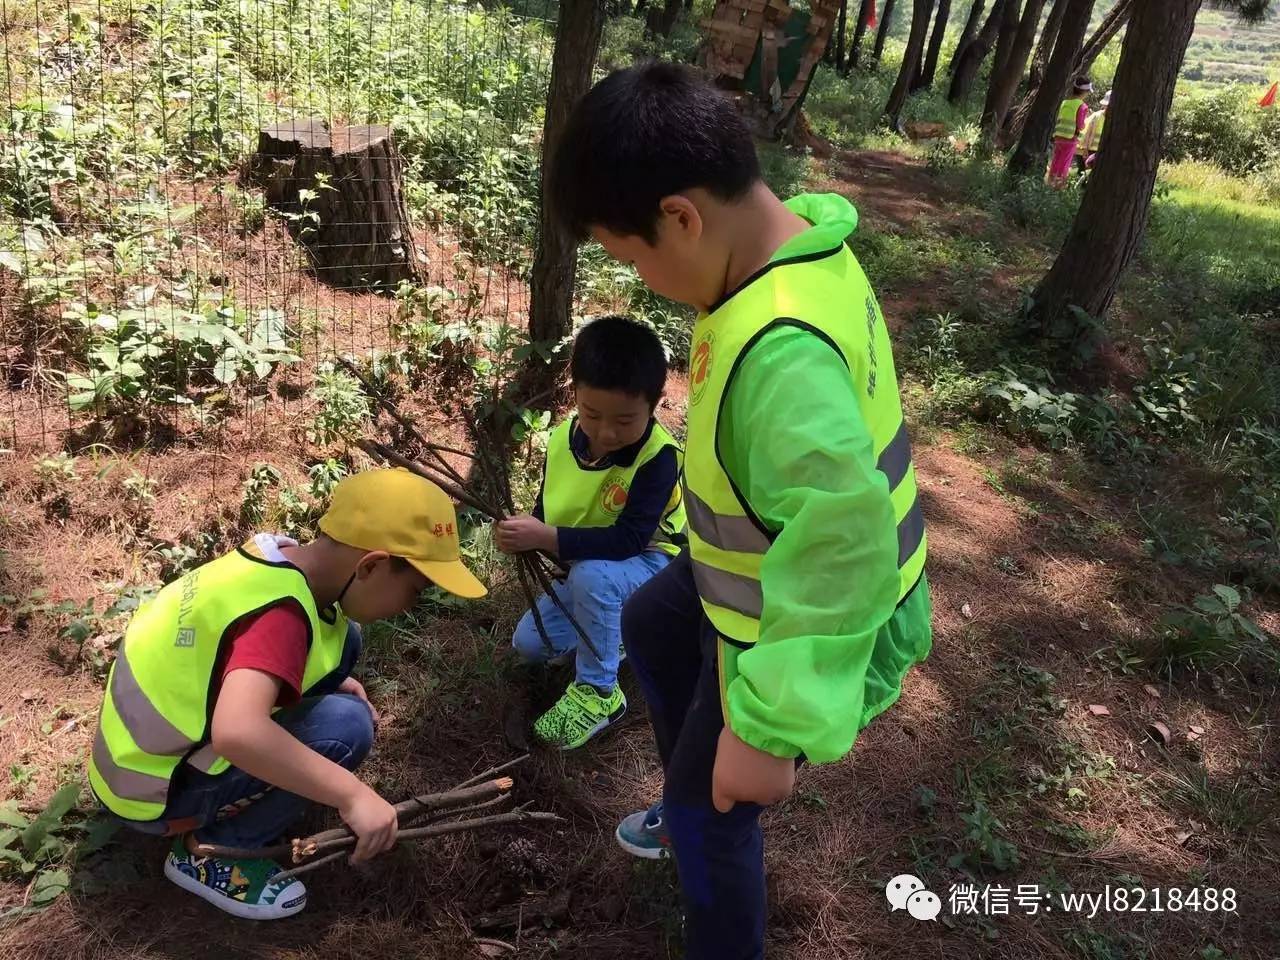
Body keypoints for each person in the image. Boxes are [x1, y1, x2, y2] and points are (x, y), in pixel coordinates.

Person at [547, 63, 932, 960]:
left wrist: (769, 730)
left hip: (795, 609)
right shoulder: (794, 245)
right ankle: (699, 774)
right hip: (747, 567)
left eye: (634, 255)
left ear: (682, 214)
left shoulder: (782, 351)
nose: (643, 277)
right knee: (650, 617)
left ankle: (711, 850)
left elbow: (843, 540)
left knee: (714, 807)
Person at [87, 468, 486, 920]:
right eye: (414, 591)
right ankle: (211, 852)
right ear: (371, 565)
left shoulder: (275, 558)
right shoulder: (280, 616)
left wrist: (321, 682)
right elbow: (238, 733)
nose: (410, 606)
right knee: (345, 726)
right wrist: (352, 796)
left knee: (345, 641)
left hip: (129, 759)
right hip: (153, 790)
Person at [497, 315, 686, 750]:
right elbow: (547, 510)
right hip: (587, 565)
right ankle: (614, 634)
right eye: (592, 413)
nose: (606, 432)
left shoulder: (659, 458)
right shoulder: (563, 439)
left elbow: (630, 541)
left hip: (653, 568)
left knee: (593, 579)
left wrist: (547, 538)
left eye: (625, 420)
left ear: (655, 402)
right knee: (530, 644)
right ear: (575, 391)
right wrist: (521, 532)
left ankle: (600, 692)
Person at [1047, 76, 1092, 187]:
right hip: (1070, 139)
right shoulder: (1082, 106)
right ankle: (1058, 187)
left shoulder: (1065, 103)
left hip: (1058, 137)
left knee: (1056, 161)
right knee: (1064, 164)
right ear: (1085, 92)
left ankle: (1049, 183)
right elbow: (1080, 125)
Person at [1081, 89, 1111, 171]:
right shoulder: (1097, 116)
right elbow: (1088, 133)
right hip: (1092, 150)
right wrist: (1085, 148)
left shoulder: (1115, 119)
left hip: (1104, 151)